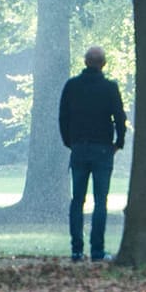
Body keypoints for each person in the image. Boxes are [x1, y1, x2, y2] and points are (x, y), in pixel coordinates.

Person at [58, 46, 127, 262]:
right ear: (103, 63)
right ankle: (97, 250)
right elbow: (119, 117)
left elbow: (63, 117)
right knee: (100, 201)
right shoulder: (109, 88)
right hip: (103, 149)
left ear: (85, 62)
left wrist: (70, 142)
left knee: (77, 200)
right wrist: (119, 143)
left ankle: (76, 250)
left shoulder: (72, 86)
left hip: (79, 148)